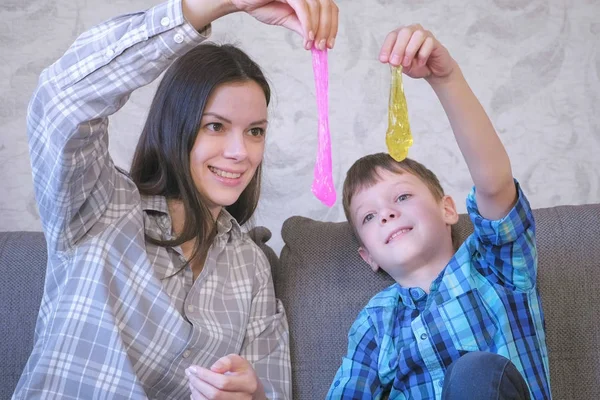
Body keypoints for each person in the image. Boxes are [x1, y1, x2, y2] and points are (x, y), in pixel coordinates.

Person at [14, 0, 338, 398]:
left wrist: (251, 395)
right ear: (175, 127)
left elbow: (270, 389)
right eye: (216, 126)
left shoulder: (251, 266)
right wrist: (218, 4)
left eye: (255, 131)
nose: (241, 152)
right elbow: (60, 98)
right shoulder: (100, 206)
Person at [327, 24, 550, 399]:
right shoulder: (375, 322)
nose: (385, 214)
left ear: (448, 209)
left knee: (476, 371)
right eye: (369, 216)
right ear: (368, 257)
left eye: (401, 198)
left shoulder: (494, 268)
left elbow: (494, 184)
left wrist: (446, 79)